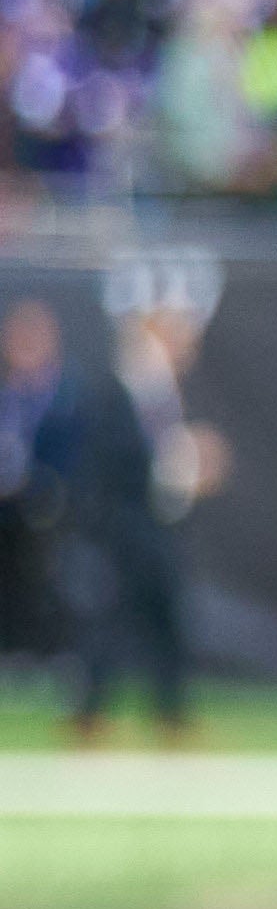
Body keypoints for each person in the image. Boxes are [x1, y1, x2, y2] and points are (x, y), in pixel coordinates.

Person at [49, 282, 220, 741]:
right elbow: (116, 466)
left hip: (160, 527)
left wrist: (188, 469)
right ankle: (89, 714)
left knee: (165, 620)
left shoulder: (165, 396)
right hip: (125, 529)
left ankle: (171, 714)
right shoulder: (120, 392)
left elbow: (162, 461)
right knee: (111, 622)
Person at [0, 295, 65, 674]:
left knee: (44, 581)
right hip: (6, 515)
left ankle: (46, 653)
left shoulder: (64, 394)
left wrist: (36, 484)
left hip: (44, 512)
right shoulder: (8, 393)